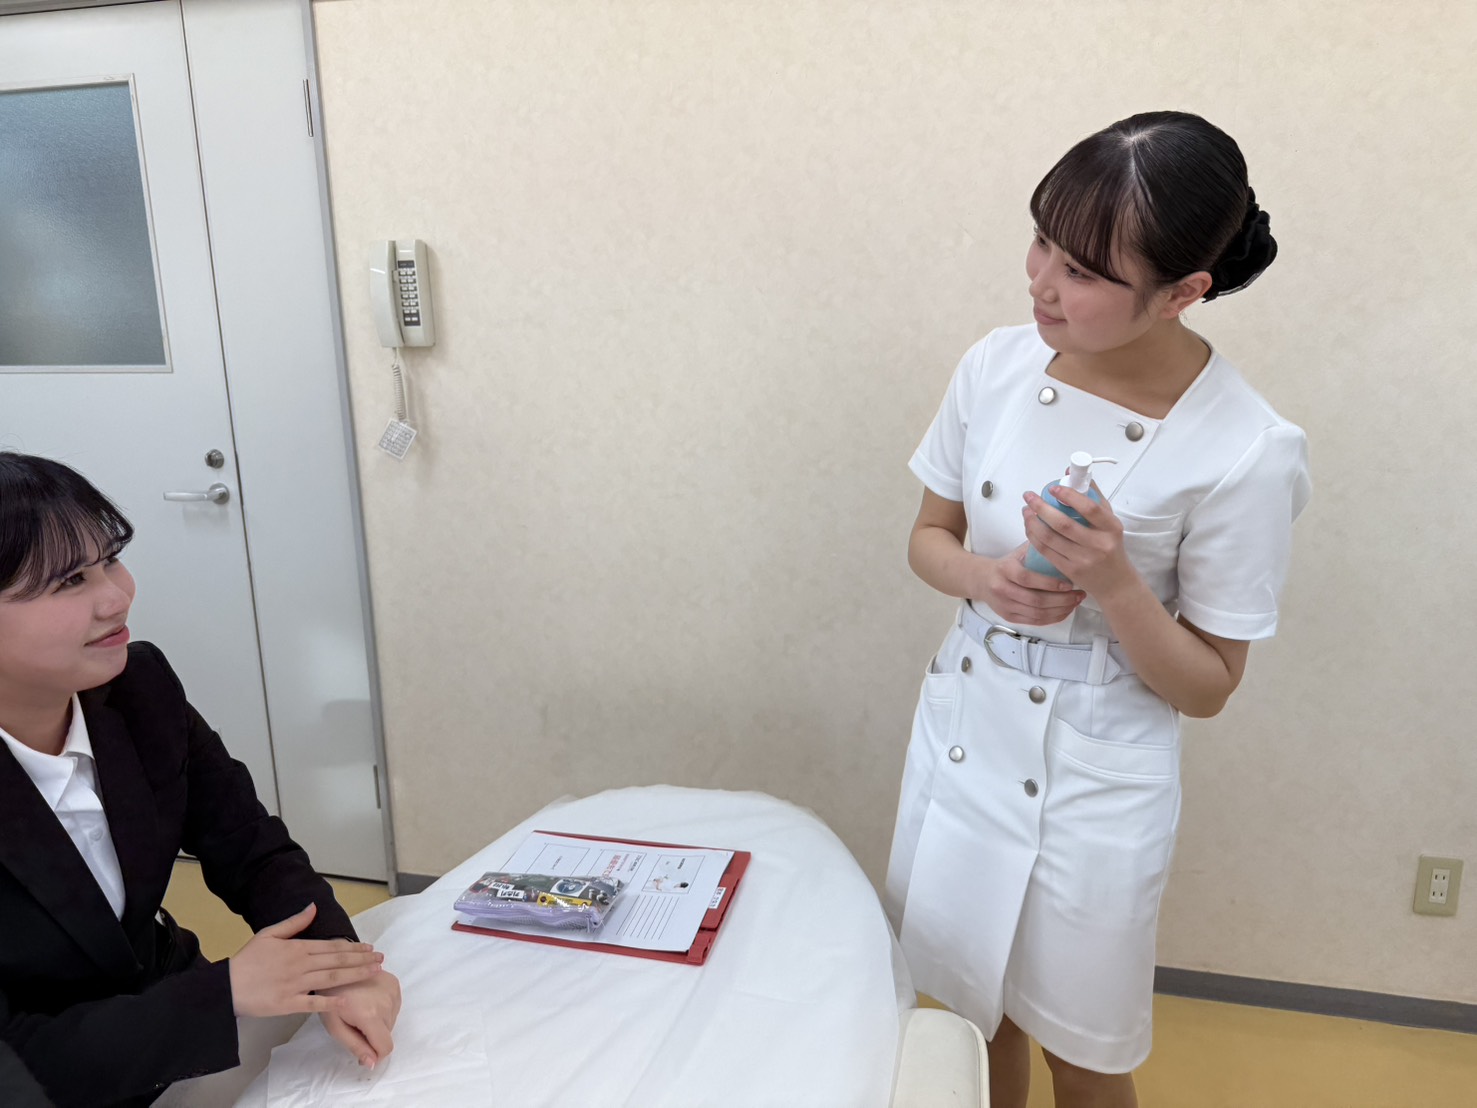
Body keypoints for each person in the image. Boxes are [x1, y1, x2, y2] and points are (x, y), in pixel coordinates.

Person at [884, 111, 1311, 1108]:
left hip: (1096, 775)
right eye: (1041, 241)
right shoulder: (994, 367)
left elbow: (1206, 687)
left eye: (1082, 271)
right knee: (964, 1013)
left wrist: (1115, 582)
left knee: (1082, 1052)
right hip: (966, 727)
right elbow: (927, 538)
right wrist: (983, 579)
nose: (1041, 282)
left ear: (1183, 292)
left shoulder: (1244, 447)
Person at [0, 452, 402, 1107]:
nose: (117, 596)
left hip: (178, 1028)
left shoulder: (138, 687)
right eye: (70, 580)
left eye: (110, 560)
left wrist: (340, 967)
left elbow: (250, 846)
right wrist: (222, 994)